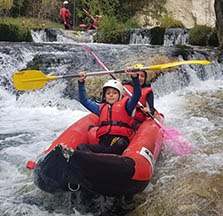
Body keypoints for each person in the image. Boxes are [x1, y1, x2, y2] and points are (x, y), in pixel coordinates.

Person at [77, 69, 141, 155]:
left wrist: (135, 78)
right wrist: (81, 82)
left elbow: (137, 95)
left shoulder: (127, 106)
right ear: (104, 96)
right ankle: (98, 158)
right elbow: (84, 101)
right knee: (81, 147)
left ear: (120, 95)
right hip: (104, 144)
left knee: (120, 143)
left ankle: (102, 157)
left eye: (114, 93)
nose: (111, 95)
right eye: (108, 93)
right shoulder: (100, 108)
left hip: (119, 142)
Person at [123, 64, 155, 130]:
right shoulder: (125, 85)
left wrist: (149, 110)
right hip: (125, 115)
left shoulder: (148, 90)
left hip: (138, 119)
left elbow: (152, 109)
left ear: (145, 78)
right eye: (137, 75)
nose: (140, 78)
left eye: (142, 76)